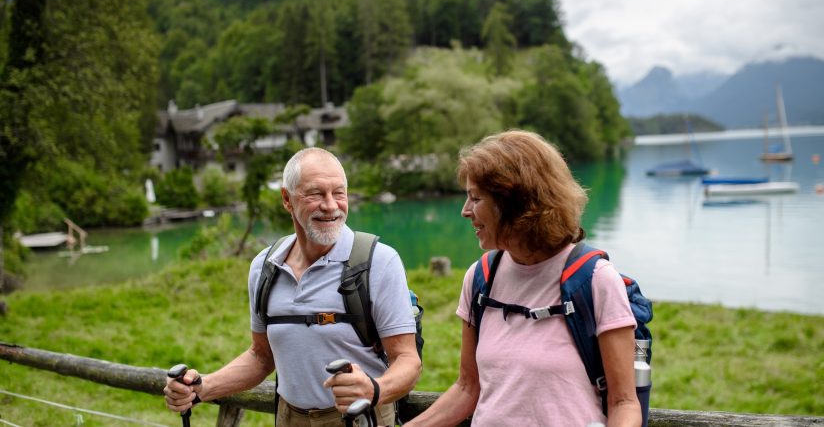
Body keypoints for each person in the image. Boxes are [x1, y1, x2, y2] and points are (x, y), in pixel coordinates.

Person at [163, 148, 421, 426]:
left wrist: (373, 390)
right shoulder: (265, 266)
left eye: (339, 193)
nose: (331, 205)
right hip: (287, 417)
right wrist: (203, 387)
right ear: (287, 199)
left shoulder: (379, 261)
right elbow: (261, 356)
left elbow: (407, 360)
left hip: (358, 418)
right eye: (316, 194)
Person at [404, 130, 640, 427]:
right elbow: (467, 387)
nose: (465, 211)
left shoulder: (595, 280)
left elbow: (624, 402)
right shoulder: (480, 277)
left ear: (517, 204)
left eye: (476, 198)